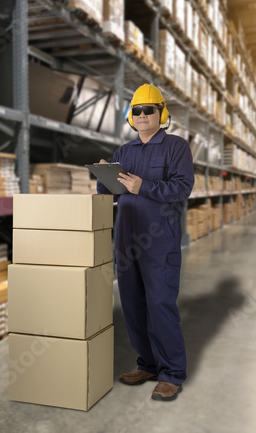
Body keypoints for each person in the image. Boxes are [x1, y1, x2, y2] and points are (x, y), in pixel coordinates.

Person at [97, 83, 194, 401]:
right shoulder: (123, 152)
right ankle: (148, 364)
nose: (141, 115)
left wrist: (145, 186)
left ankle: (172, 373)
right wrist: (104, 178)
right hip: (126, 241)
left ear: (161, 113)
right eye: (135, 111)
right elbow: (108, 195)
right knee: (133, 306)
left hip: (159, 243)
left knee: (161, 306)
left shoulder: (176, 147)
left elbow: (182, 188)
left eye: (147, 110)